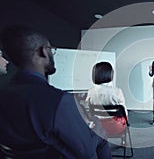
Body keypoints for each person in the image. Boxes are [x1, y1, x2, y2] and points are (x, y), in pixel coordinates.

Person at [0, 25, 112, 159]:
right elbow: (86, 152)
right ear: (43, 51)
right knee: (100, 134)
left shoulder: (4, 94)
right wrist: (97, 129)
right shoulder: (60, 101)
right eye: (51, 50)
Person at [85, 62, 128, 136]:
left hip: (97, 126)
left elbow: (88, 108)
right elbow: (124, 112)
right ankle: (123, 141)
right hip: (116, 127)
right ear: (110, 74)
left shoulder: (91, 92)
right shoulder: (117, 91)